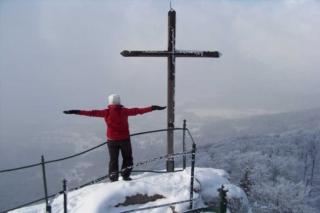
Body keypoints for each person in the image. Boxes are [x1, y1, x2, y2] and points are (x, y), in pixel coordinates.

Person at [63, 94, 166, 182]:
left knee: (113, 159)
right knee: (127, 157)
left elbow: (91, 113)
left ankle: (113, 179)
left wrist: (75, 111)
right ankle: (125, 176)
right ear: (119, 102)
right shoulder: (124, 111)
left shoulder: (106, 112)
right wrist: (153, 107)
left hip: (111, 140)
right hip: (124, 139)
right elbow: (139, 111)